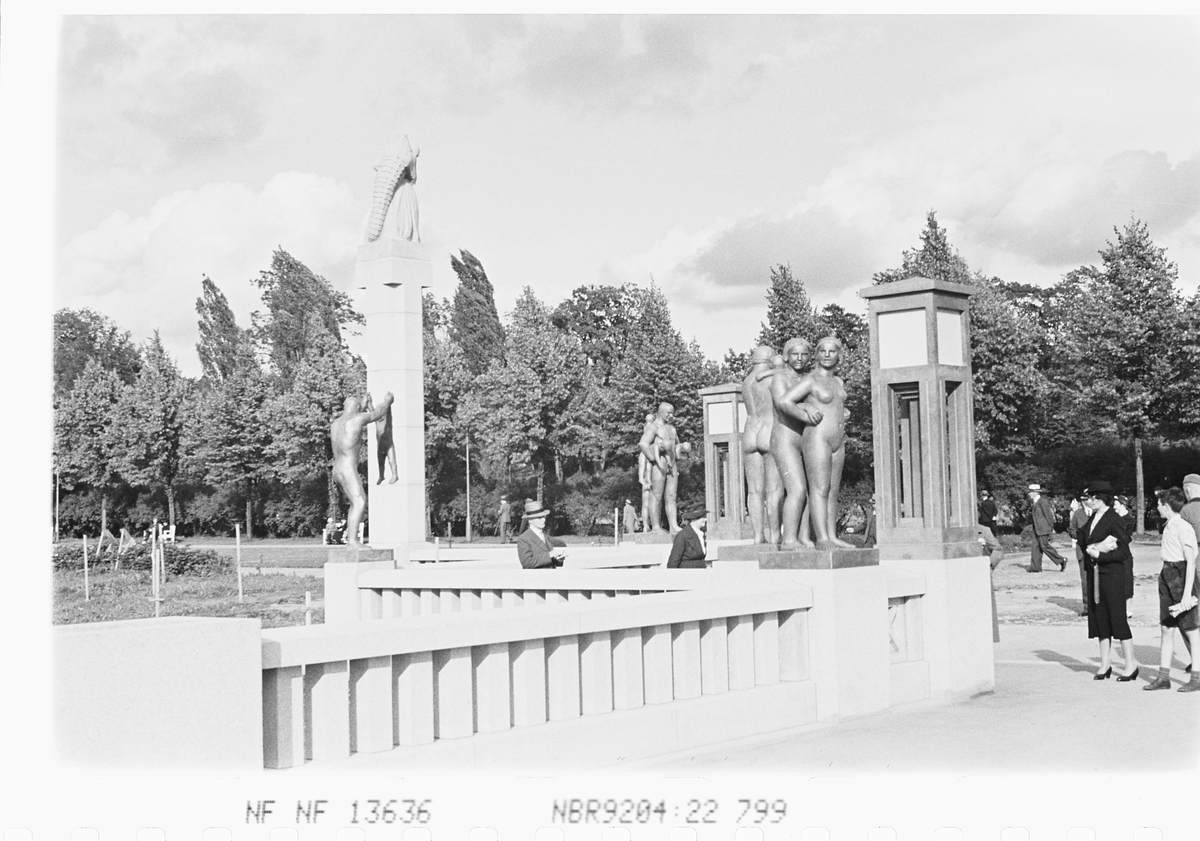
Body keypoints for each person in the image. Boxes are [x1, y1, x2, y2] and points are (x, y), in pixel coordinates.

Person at [779, 336, 853, 549]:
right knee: (819, 489)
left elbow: (834, 404)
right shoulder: (811, 379)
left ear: (839, 355)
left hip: (838, 440)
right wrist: (805, 413)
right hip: (818, 437)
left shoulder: (838, 381)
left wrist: (843, 412)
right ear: (818, 355)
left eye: (832, 351)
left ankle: (832, 535)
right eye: (823, 351)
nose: (827, 355)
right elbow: (785, 401)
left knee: (832, 490)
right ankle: (821, 538)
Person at [1080, 481, 1140, 681]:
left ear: (1100, 498)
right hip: (1096, 574)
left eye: (1091, 497)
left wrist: (1100, 554)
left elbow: (1123, 552)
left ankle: (1130, 663)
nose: (1089, 501)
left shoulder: (1114, 519)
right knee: (1100, 618)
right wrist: (1092, 550)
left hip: (1112, 574)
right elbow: (1084, 540)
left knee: (1117, 617)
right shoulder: (1092, 519)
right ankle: (1105, 663)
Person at [1143, 487, 1200, 691]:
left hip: (1181, 574)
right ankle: (1163, 677)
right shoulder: (1168, 525)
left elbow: (1191, 562)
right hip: (1167, 573)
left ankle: (1196, 678)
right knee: (1167, 628)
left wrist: (1186, 594)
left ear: (1166, 506)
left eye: (1159, 504)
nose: (1157, 507)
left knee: (1191, 629)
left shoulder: (1183, 527)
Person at [770, 338, 817, 547]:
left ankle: (804, 537)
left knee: (806, 491)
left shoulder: (809, 378)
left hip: (805, 439)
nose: (799, 358)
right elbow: (783, 404)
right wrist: (806, 412)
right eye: (795, 354)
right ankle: (789, 539)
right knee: (796, 489)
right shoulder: (780, 377)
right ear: (786, 356)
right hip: (785, 438)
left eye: (804, 354)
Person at [330, 392, 394, 547]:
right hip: (347, 468)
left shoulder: (336, 423)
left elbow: (355, 418)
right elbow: (378, 414)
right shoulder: (357, 419)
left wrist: (363, 405)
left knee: (354, 502)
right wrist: (387, 401)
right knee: (359, 502)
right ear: (358, 408)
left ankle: (351, 540)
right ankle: (352, 541)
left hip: (336, 470)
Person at [742, 345, 783, 544]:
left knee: (754, 490)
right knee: (774, 489)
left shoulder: (747, 381)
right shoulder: (772, 378)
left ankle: (758, 536)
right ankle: (775, 535)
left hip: (750, 431)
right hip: (769, 429)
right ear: (769, 359)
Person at [638, 403, 682, 533]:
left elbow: (677, 443)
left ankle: (673, 525)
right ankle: (656, 526)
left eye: (672, 413)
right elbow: (643, 444)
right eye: (668, 413)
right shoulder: (653, 427)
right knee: (656, 495)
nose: (671, 416)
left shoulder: (671, 428)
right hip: (659, 463)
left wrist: (682, 448)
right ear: (661, 412)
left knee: (671, 495)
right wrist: (652, 458)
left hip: (672, 462)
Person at [1027, 484, 1067, 572]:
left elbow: (1049, 516)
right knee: (1035, 547)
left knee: (1044, 546)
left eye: (1030, 492)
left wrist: (1050, 528)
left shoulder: (1042, 502)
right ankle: (1035, 567)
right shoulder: (1035, 502)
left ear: (1034, 493)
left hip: (1043, 529)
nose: (1028, 494)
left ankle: (1061, 560)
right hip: (1036, 529)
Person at [516, 500, 566, 569]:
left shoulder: (544, 536)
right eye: (539, 518)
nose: (543, 520)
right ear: (530, 520)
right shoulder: (524, 538)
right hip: (535, 578)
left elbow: (550, 559)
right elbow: (527, 562)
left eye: (544, 517)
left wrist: (558, 559)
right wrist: (549, 555)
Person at [1112, 494, 1137, 613]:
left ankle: (1128, 609)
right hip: (1112, 553)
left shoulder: (1129, 520)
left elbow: (1126, 538)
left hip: (1124, 553)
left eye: (1116, 504)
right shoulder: (1112, 518)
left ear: (1122, 505)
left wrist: (1113, 540)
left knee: (1127, 581)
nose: (1114, 507)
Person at [1067, 494, 1091, 614]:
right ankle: (1087, 606)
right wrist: (1079, 536)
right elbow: (1071, 530)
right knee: (1085, 579)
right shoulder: (1077, 514)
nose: (1085, 502)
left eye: (1087, 499)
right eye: (1083, 500)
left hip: (1097, 551)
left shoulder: (1098, 513)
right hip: (1082, 550)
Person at [976, 489, 1004, 570]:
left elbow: (984, 512)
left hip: (984, 521)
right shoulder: (991, 502)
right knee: (993, 533)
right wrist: (993, 517)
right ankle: (998, 538)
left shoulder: (982, 504)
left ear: (981, 495)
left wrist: (988, 517)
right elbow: (995, 510)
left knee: (987, 535)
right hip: (991, 520)